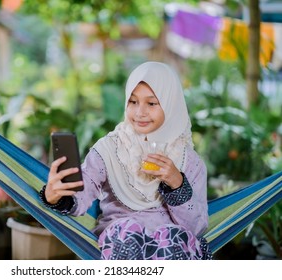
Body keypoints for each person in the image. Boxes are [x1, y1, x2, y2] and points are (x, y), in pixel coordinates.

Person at [39, 61, 212, 260]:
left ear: (170, 104)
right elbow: (83, 190)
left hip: (170, 249)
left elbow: (196, 227)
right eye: (133, 101)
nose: (140, 112)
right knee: (125, 231)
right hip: (121, 244)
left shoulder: (189, 161)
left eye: (152, 103)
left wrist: (177, 183)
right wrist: (56, 195)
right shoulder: (109, 149)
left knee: (172, 236)